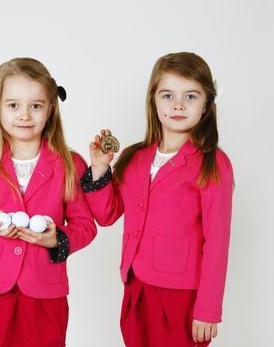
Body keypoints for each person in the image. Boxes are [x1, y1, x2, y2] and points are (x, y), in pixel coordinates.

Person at [0, 57, 97, 347]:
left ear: (50, 110)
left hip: (45, 293)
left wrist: (55, 240)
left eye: (35, 106)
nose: (24, 115)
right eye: (13, 105)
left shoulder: (69, 164)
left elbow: (85, 225)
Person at [81, 52, 233, 346]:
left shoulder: (213, 163)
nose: (177, 105)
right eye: (167, 95)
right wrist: (100, 169)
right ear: (153, 100)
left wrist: (208, 308)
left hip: (182, 296)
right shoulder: (134, 157)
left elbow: (217, 241)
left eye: (190, 96)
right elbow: (107, 214)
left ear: (206, 104)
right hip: (136, 287)